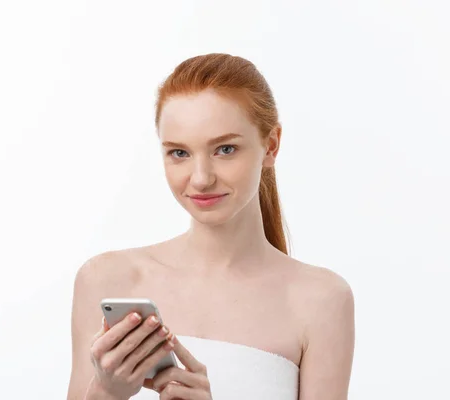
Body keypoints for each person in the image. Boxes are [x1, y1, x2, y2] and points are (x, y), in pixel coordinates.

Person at [67, 53, 355, 400]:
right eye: (179, 153)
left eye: (225, 149)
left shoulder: (319, 301)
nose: (201, 179)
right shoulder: (108, 280)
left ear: (271, 146)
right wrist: (105, 392)